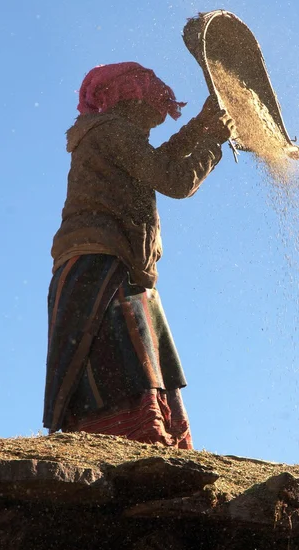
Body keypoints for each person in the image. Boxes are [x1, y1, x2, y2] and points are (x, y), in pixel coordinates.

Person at [43, 62, 235, 449]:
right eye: (150, 112)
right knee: (125, 358)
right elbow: (172, 179)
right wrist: (213, 143)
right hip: (103, 264)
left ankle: (128, 435)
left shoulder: (106, 134)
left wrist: (200, 127)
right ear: (128, 102)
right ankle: (136, 435)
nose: (153, 122)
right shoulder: (113, 133)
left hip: (103, 261)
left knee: (127, 356)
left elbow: (155, 162)